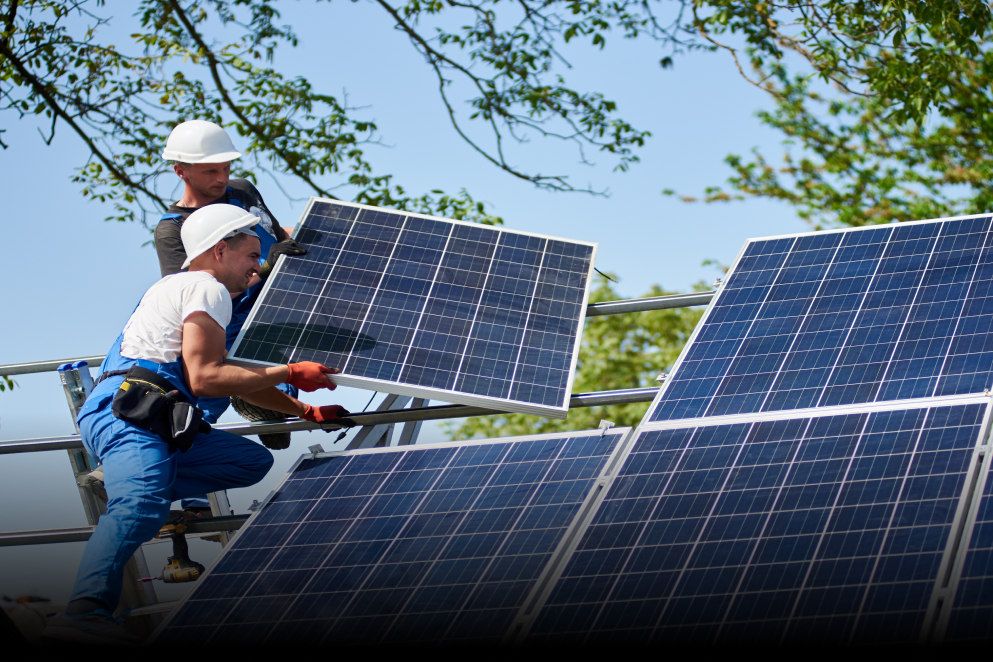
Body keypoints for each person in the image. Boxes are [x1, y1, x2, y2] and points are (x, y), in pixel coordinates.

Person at [43, 205, 351, 644]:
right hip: (132, 413)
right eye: (251, 256)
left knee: (248, 461)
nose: (257, 268)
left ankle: (133, 484)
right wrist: (289, 371)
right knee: (141, 506)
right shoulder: (206, 288)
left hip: (150, 416)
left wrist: (305, 412)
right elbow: (207, 379)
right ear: (219, 250)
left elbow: (232, 380)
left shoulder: (179, 288)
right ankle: (82, 613)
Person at [155, 119, 308, 456]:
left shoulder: (242, 191)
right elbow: (190, 295)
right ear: (181, 171)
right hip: (230, 324)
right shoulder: (173, 229)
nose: (222, 178)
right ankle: (161, 453)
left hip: (284, 305)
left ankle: (270, 409)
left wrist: (326, 230)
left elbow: (276, 234)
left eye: (226, 167)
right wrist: (265, 269)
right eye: (211, 171)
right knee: (203, 392)